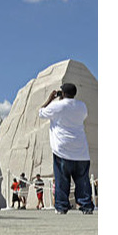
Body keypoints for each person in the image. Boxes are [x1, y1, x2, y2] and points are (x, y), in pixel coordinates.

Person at [39, 83, 95, 215]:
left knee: (62, 181)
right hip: (81, 151)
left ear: (62, 93)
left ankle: (61, 207)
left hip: (62, 149)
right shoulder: (82, 106)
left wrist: (50, 99)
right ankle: (86, 206)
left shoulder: (57, 106)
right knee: (83, 181)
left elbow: (41, 113)